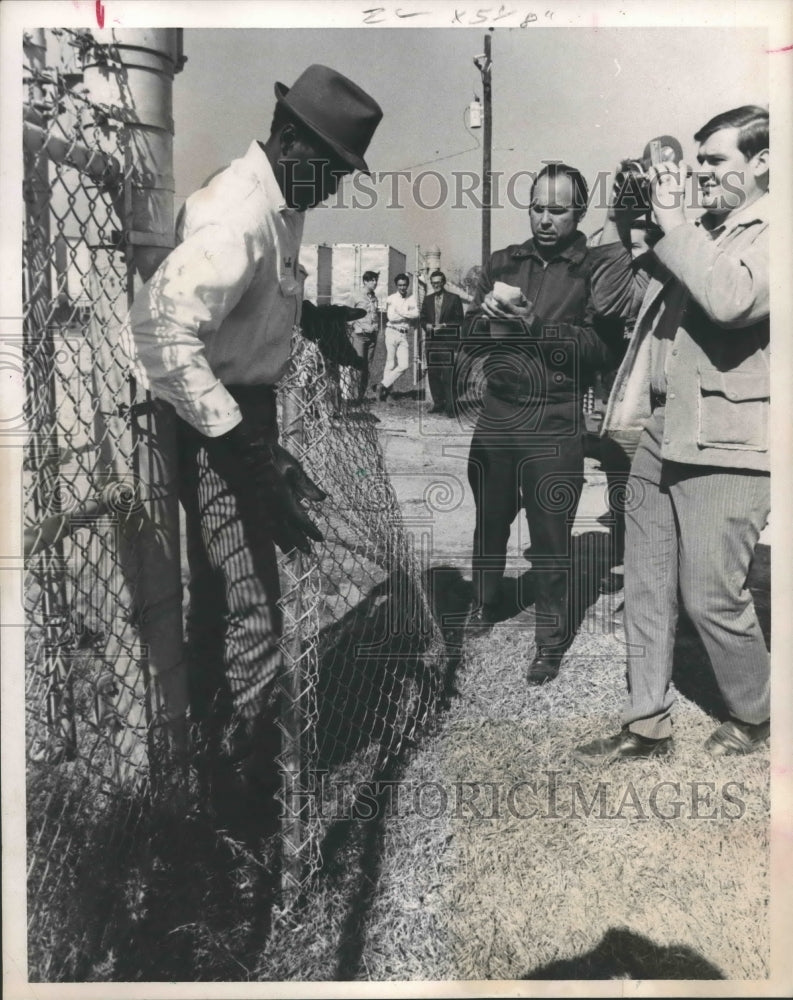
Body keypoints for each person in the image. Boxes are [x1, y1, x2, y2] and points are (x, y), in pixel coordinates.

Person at [129, 65, 382, 804]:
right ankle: (250, 793)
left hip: (239, 416)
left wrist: (313, 325)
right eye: (331, 171)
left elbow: (243, 310)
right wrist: (246, 450)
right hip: (211, 420)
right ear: (293, 140)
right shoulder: (238, 211)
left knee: (228, 597)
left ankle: (217, 761)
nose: (333, 189)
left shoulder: (279, 195)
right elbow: (160, 332)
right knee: (253, 605)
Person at [575, 105, 770, 761]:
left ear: (762, 162)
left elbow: (730, 301)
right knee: (647, 583)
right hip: (661, 428)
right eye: (697, 163)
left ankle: (756, 710)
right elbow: (613, 303)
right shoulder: (694, 231)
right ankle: (646, 724)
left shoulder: (771, 231)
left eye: (715, 161)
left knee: (710, 594)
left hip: (729, 437)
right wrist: (622, 224)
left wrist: (676, 224)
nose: (699, 174)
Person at [462, 162, 630, 685]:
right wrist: (486, 317)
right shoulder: (502, 261)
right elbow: (469, 336)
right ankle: (484, 603)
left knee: (551, 536)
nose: (544, 219)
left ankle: (550, 642)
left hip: (554, 419)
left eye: (557, 210)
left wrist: (533, 324)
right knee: (489, 522)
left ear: (579, 213)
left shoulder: (594, 268)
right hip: (497, 413)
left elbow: (600, 351)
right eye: (537, 207)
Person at [419, 270, 465, 415]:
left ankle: (451, 407)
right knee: (433, 374)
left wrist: (444, 326)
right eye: (433, 283)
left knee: (448, 375)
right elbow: (423, 318)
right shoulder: (427, 299)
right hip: (432, 342)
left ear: (443, 282)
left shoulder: (454, 298)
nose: (435, 285)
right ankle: (438, 403)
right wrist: (426, 325)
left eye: (438, 283)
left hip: (447, 342)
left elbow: (459, 321)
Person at [378, 273, 419, 400]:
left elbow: (416, 314)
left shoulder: (411, 298)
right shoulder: (391, 298)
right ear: (396, 285)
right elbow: (391, 317)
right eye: (400, 285)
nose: (402, 287)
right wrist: (408, 314)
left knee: (404, 365)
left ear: (407, 285)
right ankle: (387, 393)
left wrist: (401, 312)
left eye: (405, 285)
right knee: (390, 363)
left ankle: (383, 385)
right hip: (391, 331)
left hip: (403, 334)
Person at [349, 270, 381, 403]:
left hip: (372, 335)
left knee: (367, 366)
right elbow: (348, 314)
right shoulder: (356, 296)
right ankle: (352, 396)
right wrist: (354, 327)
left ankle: (361, 396)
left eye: (376, 280)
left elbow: (375, 314)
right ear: (365, 281)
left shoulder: (374, 297)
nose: (375, 283)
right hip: (359, 335)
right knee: (358, 366)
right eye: (372, 280)